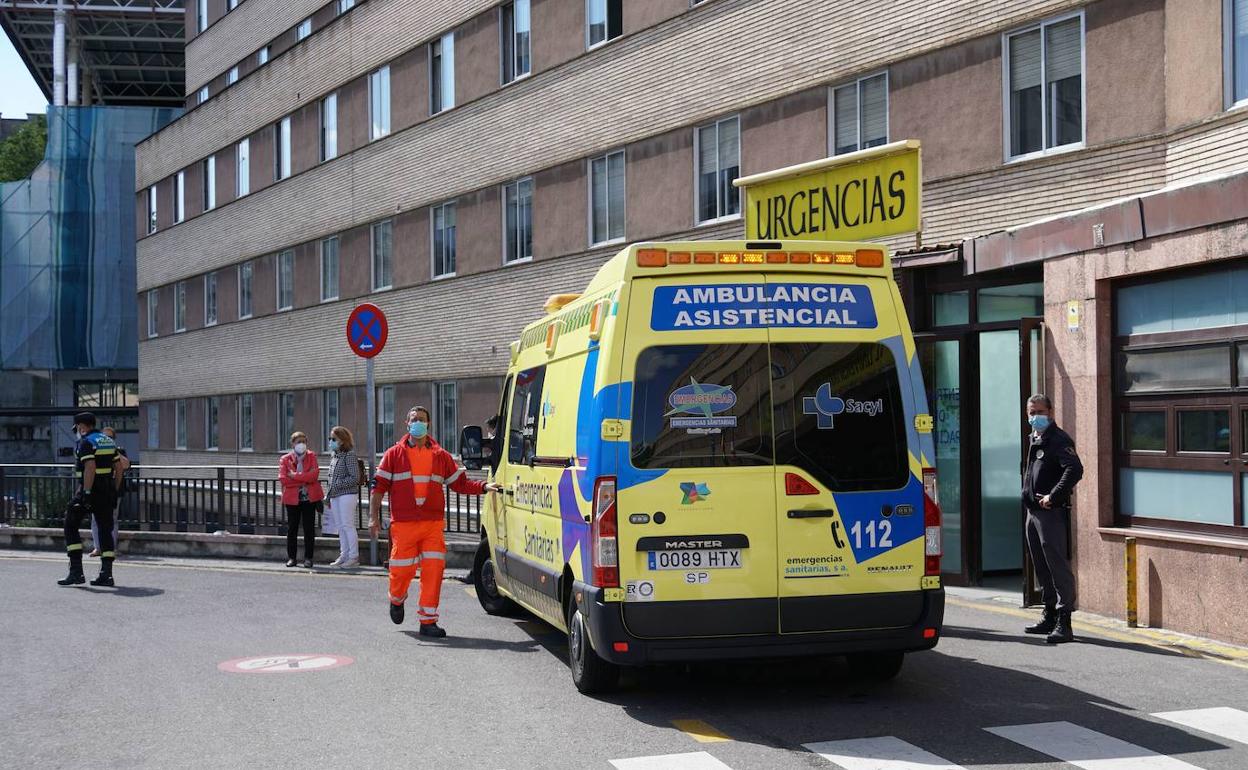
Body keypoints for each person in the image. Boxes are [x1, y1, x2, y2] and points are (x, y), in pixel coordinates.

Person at [369, 406, 500, 636]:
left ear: (428, 424)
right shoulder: (393, 454)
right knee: (401, 570)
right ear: (406, 424)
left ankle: (428, 621)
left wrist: (483, 487)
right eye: (414, 419)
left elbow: (459, 483)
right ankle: (397, 599)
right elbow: (378, 488)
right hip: (405, 524)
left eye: (421, 419)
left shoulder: (440, 456)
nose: (417, 423)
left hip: (432, 524)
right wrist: (373, 517)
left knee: (434, 571)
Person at [1021, 393, 1084, 645]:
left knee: (1057, 566)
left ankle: (1064, 621)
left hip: (1050, 513)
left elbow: (1075, 469)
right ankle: (1048, 614)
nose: (1035, 417)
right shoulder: (1035, 438)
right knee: (1041, 565)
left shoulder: (1058, 439)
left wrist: (1053, 496)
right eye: (1031, 412)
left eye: (1039, 412)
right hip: (1032, 512)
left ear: (1051, 413)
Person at [58, 412, 120, 587]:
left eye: (77, 428)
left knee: (70, 524)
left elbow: (90, 468)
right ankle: (106, 575)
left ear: (81, 426)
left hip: (90, 490)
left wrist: (85, 492)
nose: (77, 431)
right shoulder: (108, 440)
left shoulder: (85, 442)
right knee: (105, 530)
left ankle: (76, 572)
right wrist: (114, 489)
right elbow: (119, 467)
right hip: (107, 491)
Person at [279, 431, 324, 568]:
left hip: (309, 499)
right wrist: (304, 478)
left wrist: (295, 476)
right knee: (292, 529)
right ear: (292, 444)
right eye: (298, 442)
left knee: (309, 529)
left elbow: (314, 476)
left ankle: (308, 558)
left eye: (304, 441)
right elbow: (284, 479)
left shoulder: (312, 456)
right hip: (292, 500)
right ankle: (292, 558)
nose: (301, 444)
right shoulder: (285, 459)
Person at [89, 427, 129, 558]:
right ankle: (98, 547)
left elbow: (126, 465)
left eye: (110, 438)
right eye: (105, 438)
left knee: (112, 518)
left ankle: (111, 547)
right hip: (98, 489)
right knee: (95, 519)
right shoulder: (94, 451)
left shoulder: (119, 451)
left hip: (114, 490)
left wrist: (114, 451)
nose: (107, 440)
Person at [324, 426, 361, 568]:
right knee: (340, 526)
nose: (331, 441)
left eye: (334, 439)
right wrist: (328, 497)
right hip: (335, 495)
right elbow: (331, 478)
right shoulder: (334, 455)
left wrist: (339, 484)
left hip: (347, 495)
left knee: (347, 525)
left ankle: (353, 556)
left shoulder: (349, 455)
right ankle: (344, 554)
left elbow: (355, 477)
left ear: (342, 440)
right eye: (330, 439)